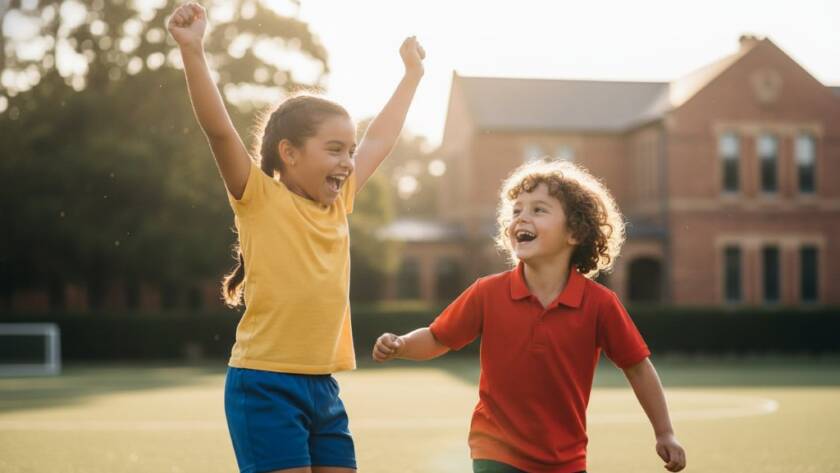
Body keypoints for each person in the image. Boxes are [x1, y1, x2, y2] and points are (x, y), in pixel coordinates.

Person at [167, 3, 425, 472]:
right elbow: (220, 131)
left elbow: (380, 140)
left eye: (349, 150)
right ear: (288, 152)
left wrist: (411, 76)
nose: (348, 161)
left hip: (322, 386)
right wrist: (193, 51)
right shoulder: (259, 199)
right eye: (333, 150)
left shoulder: (339, 202)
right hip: (264, 384)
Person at [373, 159, 687, 473]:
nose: (522, 217)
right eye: (516, 210)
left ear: (575, 232)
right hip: (495, 449)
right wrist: (401, 344)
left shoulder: (600, 304)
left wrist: (664, 432)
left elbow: (638, 368)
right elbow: (437, 338)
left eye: (538, 210)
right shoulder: (487, 292)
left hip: (565, 458)